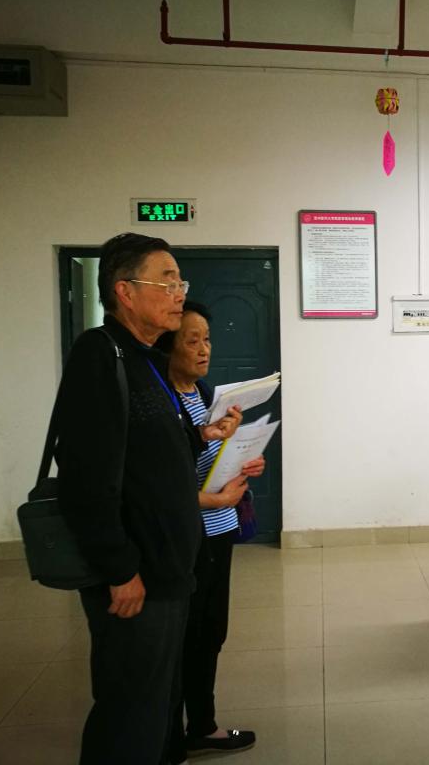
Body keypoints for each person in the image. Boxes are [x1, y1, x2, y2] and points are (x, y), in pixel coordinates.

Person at [56, 233, 242, 765]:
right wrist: (119, 568)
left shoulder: (146, 361)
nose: (179, 292)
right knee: (130, 708)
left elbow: (152, 455)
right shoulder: (101, 354)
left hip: (169, 567)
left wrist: (204, 436)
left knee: (157, 703)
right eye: (166, 281)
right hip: (137, 573)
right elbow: (86, 477)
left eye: (180, 281)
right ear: (125, 291)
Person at [157, 302, 265, 763]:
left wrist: (244, 460)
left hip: (218, 528)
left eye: (207, 339)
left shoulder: (202, 394)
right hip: (185, 533)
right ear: (168, 346)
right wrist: (210, 498)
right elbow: (160, 479)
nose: (204, 349)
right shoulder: (160, 400)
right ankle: (168, 737)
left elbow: (205, 462)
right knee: (182, 637)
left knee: (210, 632)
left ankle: (202, 725)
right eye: (192, 340)